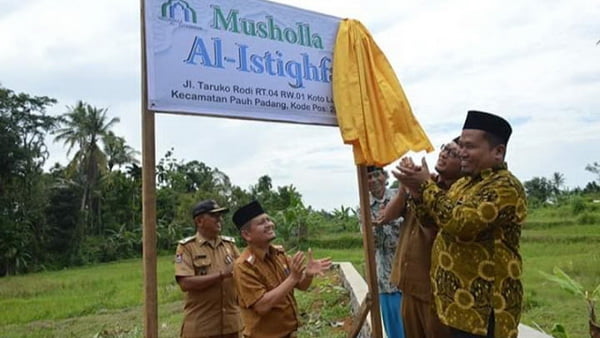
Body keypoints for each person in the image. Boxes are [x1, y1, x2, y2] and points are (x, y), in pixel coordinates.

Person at [395, 111, 527, 338]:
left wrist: (426, 186)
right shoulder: (463, 184)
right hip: (456, 307)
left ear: (498, 152)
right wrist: (417, 193)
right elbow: (433, 221)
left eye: (469, 147)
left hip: (485, 310)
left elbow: (460, 222)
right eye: (461, 146)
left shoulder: (505, 186)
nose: (462, 153)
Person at [377, 139, 462, 338]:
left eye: (452, 153)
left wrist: (418, 190)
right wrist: (403, 189)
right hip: (409, 284)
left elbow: (432, 231)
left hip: (434, 291)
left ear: (464, 163)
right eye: (445, 148)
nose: (444, 153)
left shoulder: (455, 195)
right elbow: (387, 216)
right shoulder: (427, 184)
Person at [232, 201, 332, 338]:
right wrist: (292, 278)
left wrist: (308, 275)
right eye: (262, 223)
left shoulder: (279, 254)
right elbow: (262, 306)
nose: (270, 224)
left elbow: (301, 285)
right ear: (247, 235)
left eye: (268, 220)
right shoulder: (244, 266)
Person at [174, 199, 242, 338]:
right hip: (202, 328)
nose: (219, 220)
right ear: (199, 221)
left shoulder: (229, 245)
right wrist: (222, 275)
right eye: (214, 216)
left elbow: (243, 271)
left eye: (220, 216)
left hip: (231, 326)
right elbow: (185, 283)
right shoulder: (187, 247)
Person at [362, 166, 405, 338]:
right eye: (368, 177)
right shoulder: (364, 207)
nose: (372, 180)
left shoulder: (400, 196)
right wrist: (377, 226)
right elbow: (373, 245)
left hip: (409, 270)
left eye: (376, 175)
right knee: (395, 329)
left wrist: (390, 217)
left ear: (385, 176)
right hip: (386, 279)